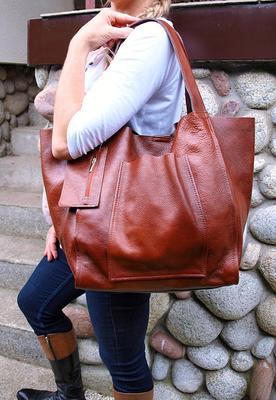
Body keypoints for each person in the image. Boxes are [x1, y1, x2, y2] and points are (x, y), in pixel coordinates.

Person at [17, 0, 184, 399]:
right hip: (88, 216)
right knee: (37, 302)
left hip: (122, 224)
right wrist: (59, 218)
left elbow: (67, 142)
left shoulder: (150, 40)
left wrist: (77, 44)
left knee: (122, 359)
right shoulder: (113, 42)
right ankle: (69, 395)